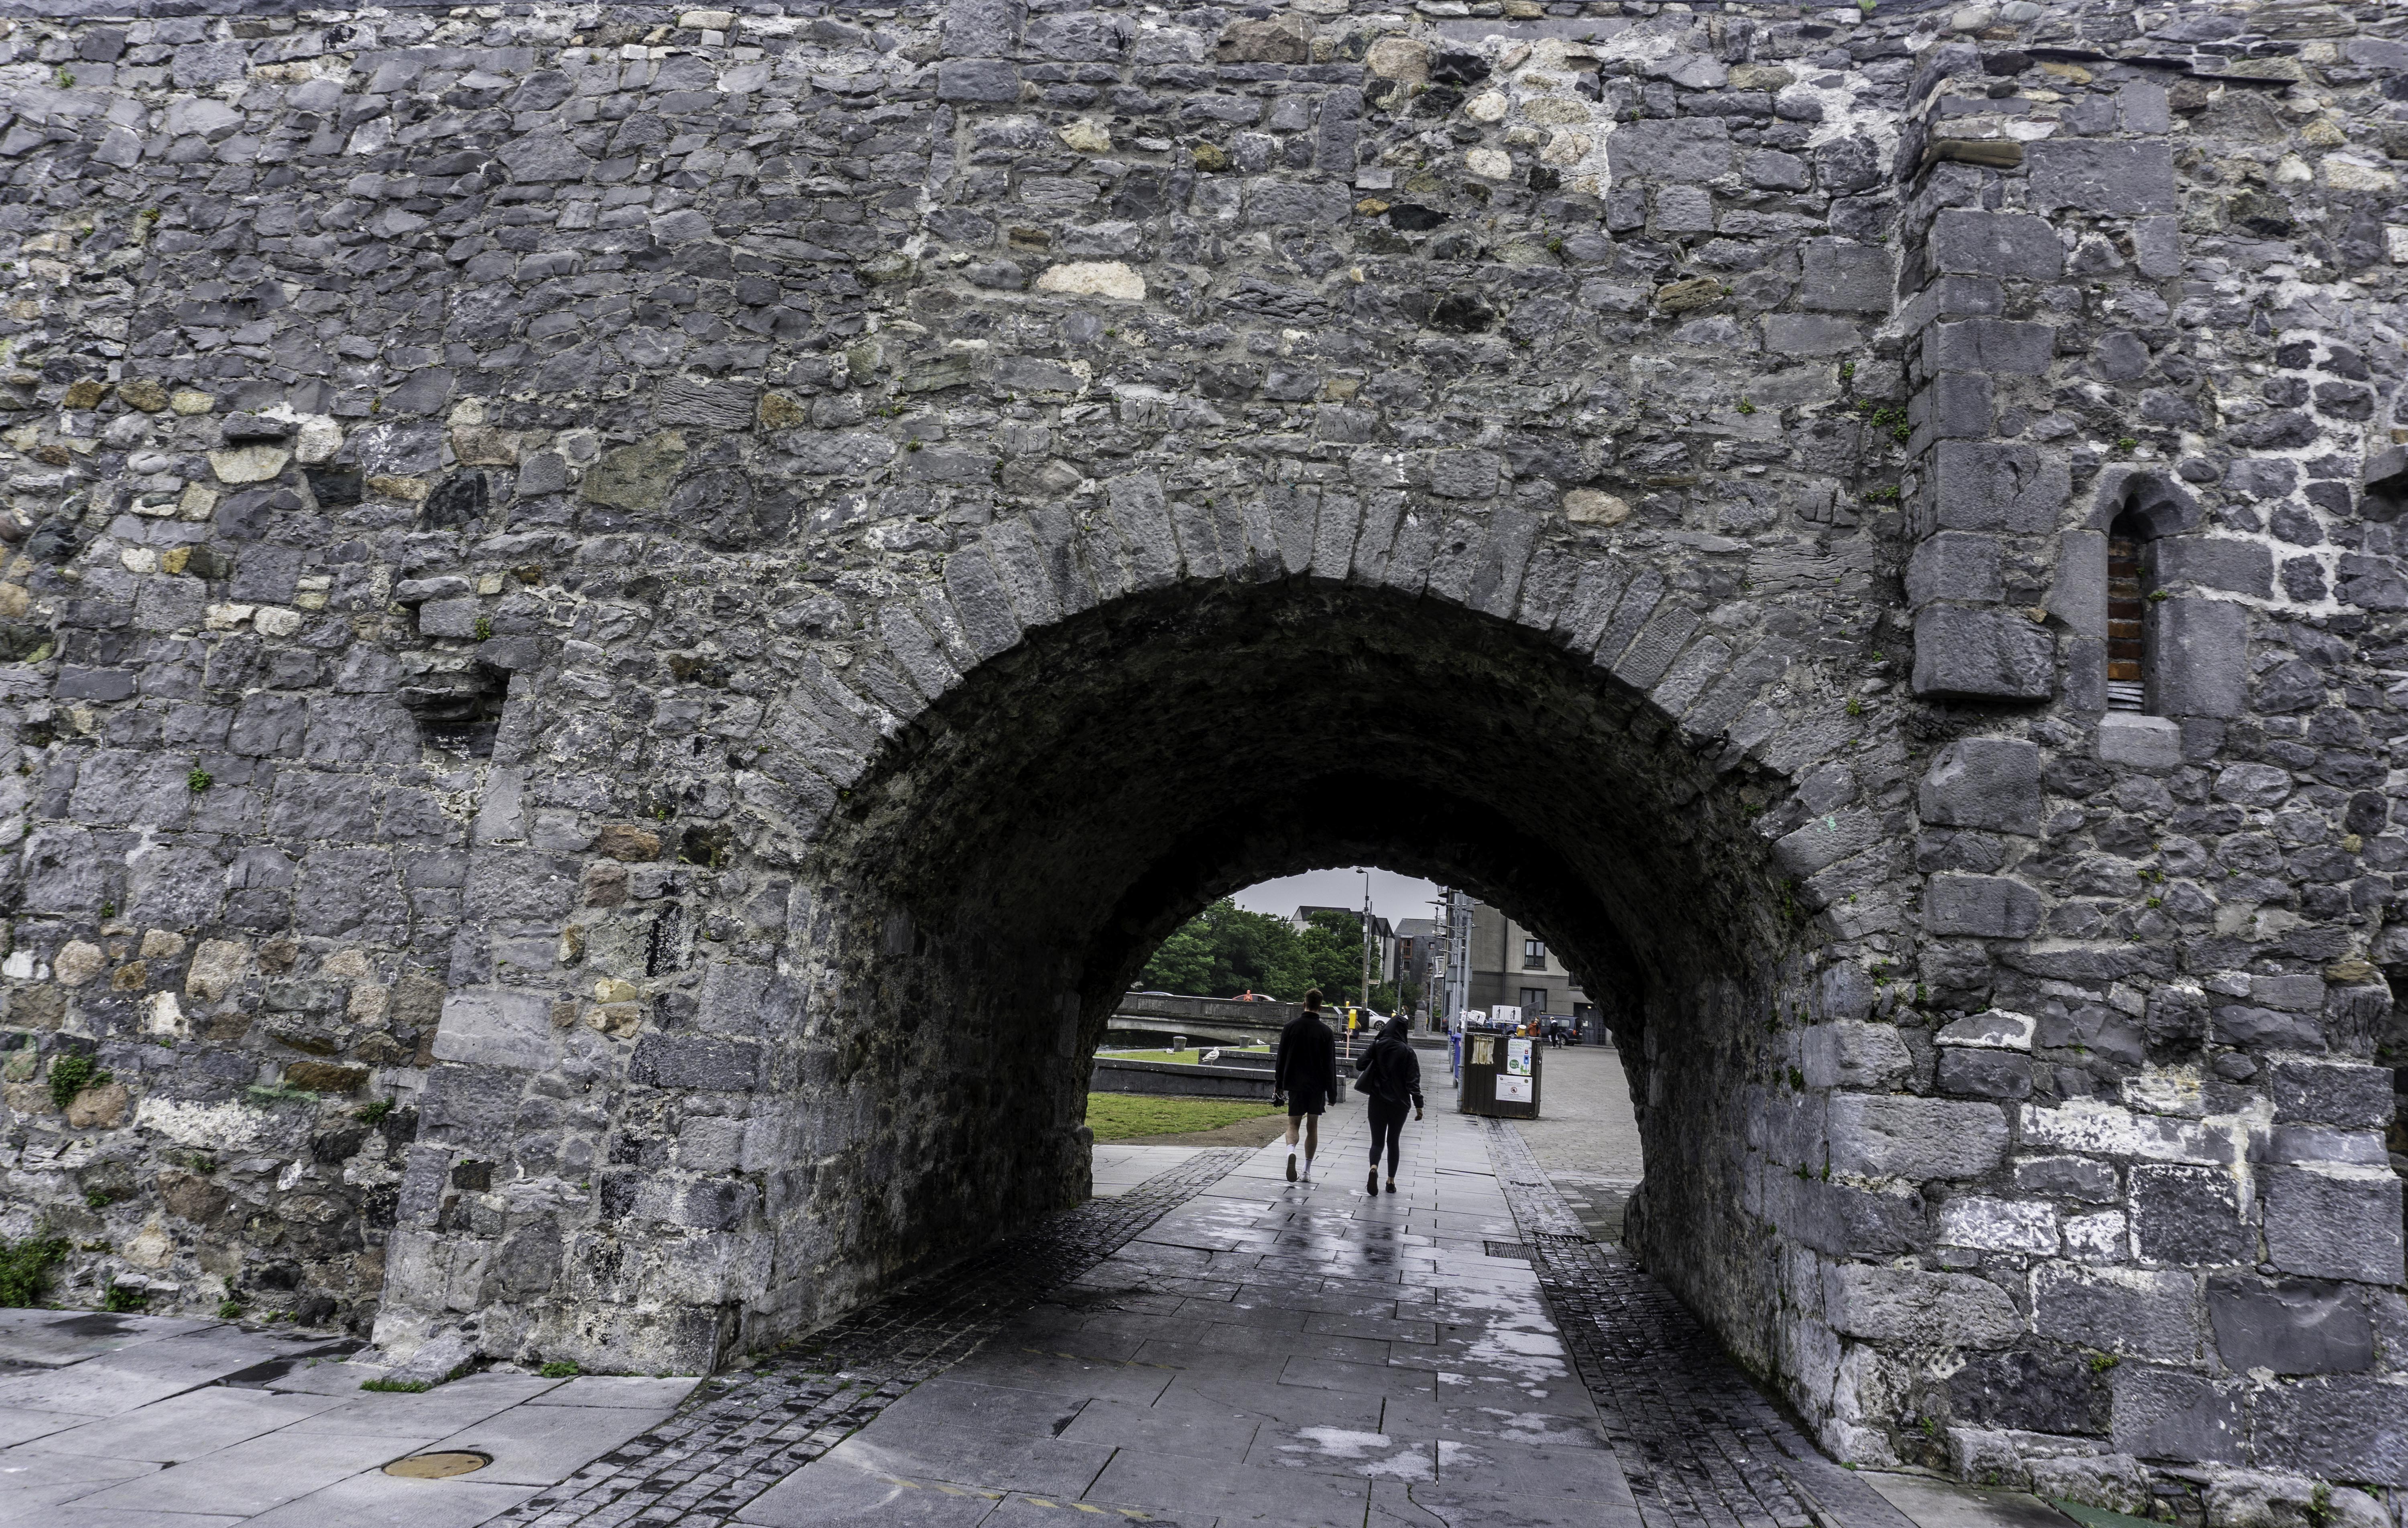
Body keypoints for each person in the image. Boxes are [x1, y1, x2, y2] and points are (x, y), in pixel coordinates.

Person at [1273, 988, 1339, 1183]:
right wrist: (1332, 1093)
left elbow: (1281, 1059)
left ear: (1304, 1004)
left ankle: (1290, 1152)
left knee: (1293, 1125)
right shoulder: (1326, 1032)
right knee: (1313, 1126)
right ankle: (1307, 1171)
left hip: (1295, 1084)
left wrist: (1279, 1085)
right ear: (1321, 1007)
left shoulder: (1290, 1028)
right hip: (1317, 1087)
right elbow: (1330, 1065)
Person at [1354, 1016, 1424, 1195]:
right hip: (1400, 1104)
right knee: (1394, 1141)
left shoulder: (1378, 1045)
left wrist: (1375, 1055)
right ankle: (1391, 1182)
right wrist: (1419, 1106)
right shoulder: (1408, 1052)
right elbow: (1413, 1082)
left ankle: (1374, 1167)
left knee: (1377, 1141)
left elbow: (1360, 1065)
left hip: (1377, 1100)